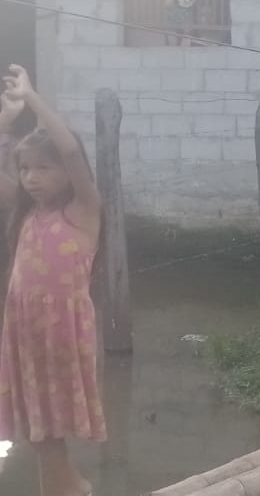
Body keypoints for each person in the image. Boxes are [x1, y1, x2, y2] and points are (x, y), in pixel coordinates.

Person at [0, 64, 105, 496]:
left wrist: (33, 99)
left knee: (50, 422)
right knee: (35, 425)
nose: (31, 178)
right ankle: (64, 489)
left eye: (43, 168)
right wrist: (5, 122)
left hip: (61, 330)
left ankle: (70, 488)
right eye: (25, 169)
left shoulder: (82, 210)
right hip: (23, 330)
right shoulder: (27, 211)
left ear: (65, 172)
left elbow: (72, 151)